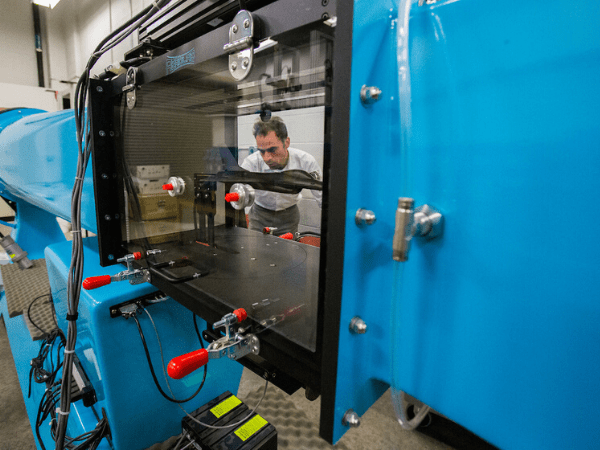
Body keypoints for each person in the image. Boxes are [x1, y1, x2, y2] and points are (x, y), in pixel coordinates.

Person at [241, 116, 322, 236]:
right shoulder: (251, 163)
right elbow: (241, 194)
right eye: (262, 151)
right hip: (259, 216)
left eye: (273, 149)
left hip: (289, 217)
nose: (267, 158)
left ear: (286, 142)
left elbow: (323, 197)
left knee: (288, 252)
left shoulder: (305, 161)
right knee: (257, 253)